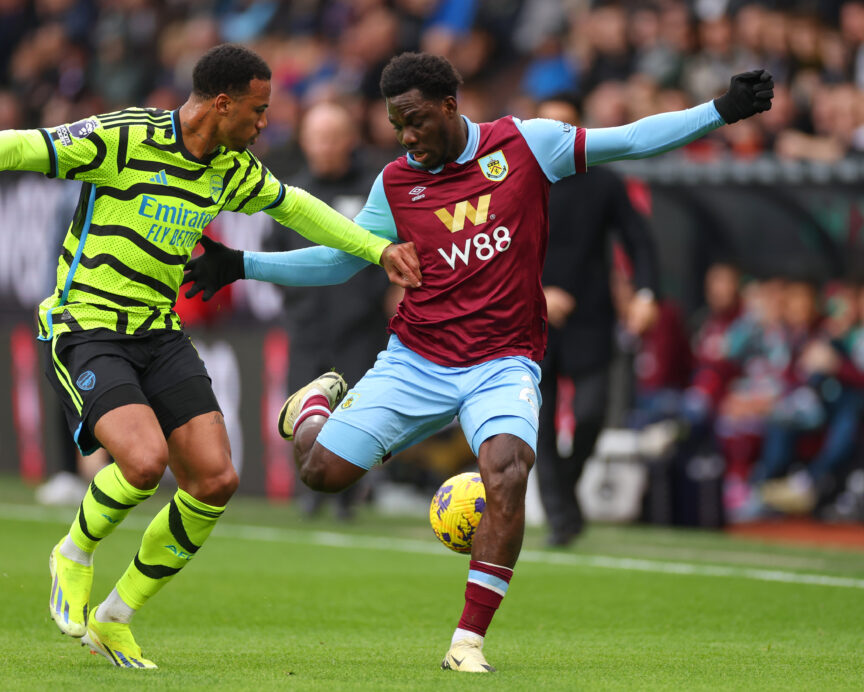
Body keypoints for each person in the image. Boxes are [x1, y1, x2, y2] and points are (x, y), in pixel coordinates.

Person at [183, 53, 773, 673]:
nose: (407, 137)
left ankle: (468, 641)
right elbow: (341, 260)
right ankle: (313, 407)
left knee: (509, 471)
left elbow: (627, 140)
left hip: (504, 361)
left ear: (449, 106)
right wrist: (244, 264)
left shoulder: (524, 144)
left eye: (415, 121)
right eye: (395, 124)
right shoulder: (396, 184)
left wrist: (721, 110)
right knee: (319, 472)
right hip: (416, 358)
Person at [0, 43, 421, 670]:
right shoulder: (125, 138)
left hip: (159, 332)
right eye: (258, 110)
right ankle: (72, 554)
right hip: (86, 327)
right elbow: (18, 144)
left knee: (215, 480)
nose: (265, 123)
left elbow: (300, 208)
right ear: (222, 103)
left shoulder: (233, 169)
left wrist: (377, 250)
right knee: (145, 460)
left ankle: (116, 617)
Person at [531, 93, 661, 548]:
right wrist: (538, 295)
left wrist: (645, 293)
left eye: (566, 127)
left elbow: (640, 241)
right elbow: (493, 256)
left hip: (591, 319)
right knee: (537, 427)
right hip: (529, 324)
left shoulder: (603, 182)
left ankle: (564, 488)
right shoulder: (513, 184)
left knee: (590, 414)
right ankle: (563, 520)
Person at [262, 100, 393, 519]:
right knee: (302, 406)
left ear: (350, 140)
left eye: (333, 137)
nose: (325, 146)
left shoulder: (375, 188)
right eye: (317, 138)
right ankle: (311, 489)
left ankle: (349, 493)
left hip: (360, 325)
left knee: (354, 410)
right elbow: (271, 250)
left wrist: (376, 297)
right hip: (307, 325)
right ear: (305, 141)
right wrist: (294, 299)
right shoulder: (290, 195)